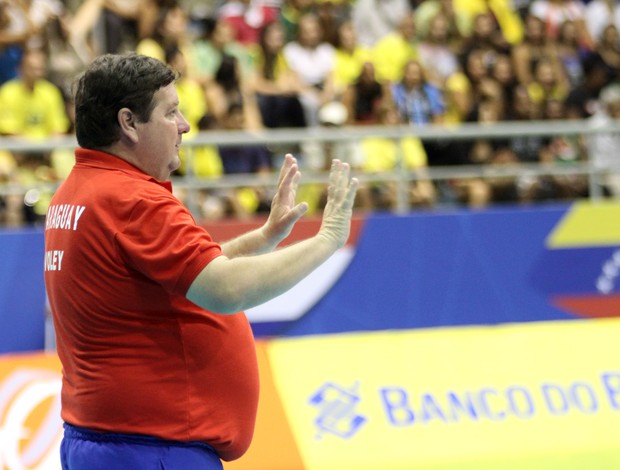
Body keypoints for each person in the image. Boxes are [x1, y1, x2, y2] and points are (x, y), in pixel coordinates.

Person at [43, 52, 358, 469]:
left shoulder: (80, 190)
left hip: (113, 442)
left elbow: (187, 274)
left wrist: (265, 238)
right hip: (149, 449)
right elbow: (225, 289)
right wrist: (329, 239)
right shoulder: (131, 199)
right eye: (171, 112)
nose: (185, 125)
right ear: (128, 123)